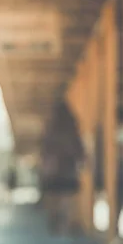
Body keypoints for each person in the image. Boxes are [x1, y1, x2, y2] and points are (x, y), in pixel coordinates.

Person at [39, 101, 85, 236]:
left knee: (54, 199)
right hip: (69, 172)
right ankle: (66, 225)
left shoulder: (50, 130)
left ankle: (56, 222)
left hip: (53, 173)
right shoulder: (72, 129)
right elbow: (80, 152)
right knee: (67, 200)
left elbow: (44, 153)